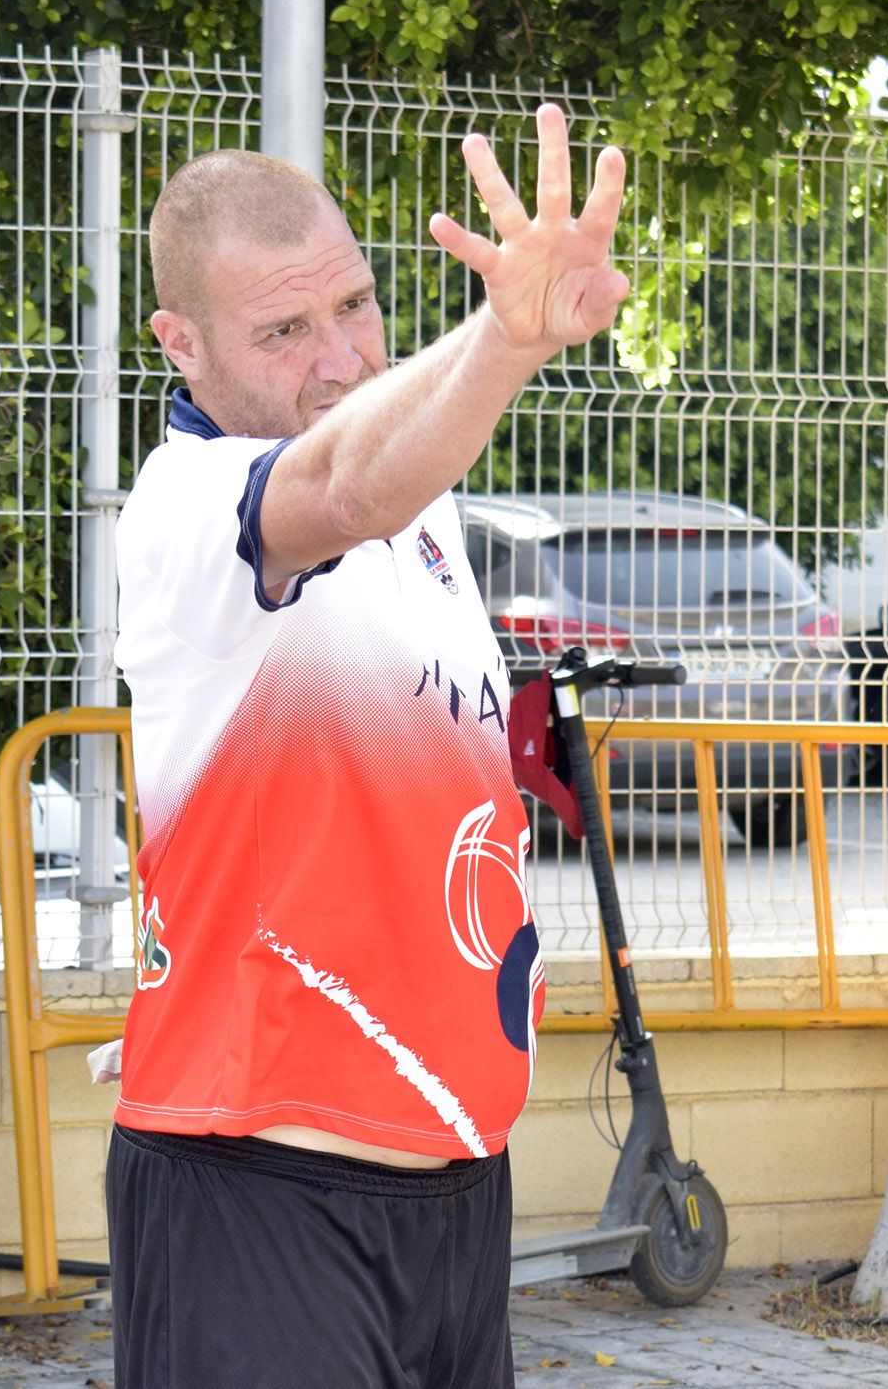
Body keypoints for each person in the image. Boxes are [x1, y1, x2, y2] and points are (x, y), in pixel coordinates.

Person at [102, 105, 628, 1389]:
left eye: (356, 303)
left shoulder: (423, 509)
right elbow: (343, 482)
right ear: (180, 342)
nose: (338, 357)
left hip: (450, 1174)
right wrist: (507, 336)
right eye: (283, 330)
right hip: (257, 1186)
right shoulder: (187, 513)